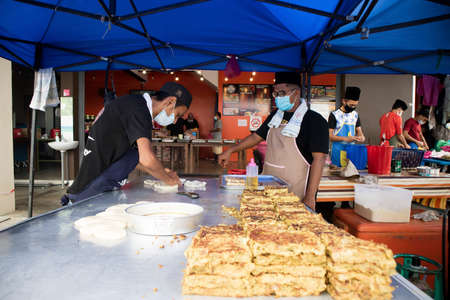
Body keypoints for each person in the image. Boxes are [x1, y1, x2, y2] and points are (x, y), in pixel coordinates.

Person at [61, 82, 192, 205]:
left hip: (105, 187)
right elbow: (147, 159)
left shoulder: (135, 106)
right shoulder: (138, 109)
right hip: (90, 191)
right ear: (171, 101)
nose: (175, 121)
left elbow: (134, 158)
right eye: (178, 115)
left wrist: (162, 171)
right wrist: (169, 181)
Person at [218, 72, 329, 213]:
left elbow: (319, 160)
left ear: (297, 92)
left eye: (282, 92)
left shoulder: (314, 121)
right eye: (276, 94)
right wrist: (230, 150)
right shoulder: (275, 116)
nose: (278, 97)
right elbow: (255, 137)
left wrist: (310, 197)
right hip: (268, 190)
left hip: (295, 194)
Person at [328, 86, 365, 167]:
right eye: (351, 105)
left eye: (355, 105)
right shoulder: (334, 115)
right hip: (338, 152)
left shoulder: (355, 115)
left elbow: (360, 133)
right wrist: (346, 139)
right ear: (344, 101)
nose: (353, 108)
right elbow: (330, 136)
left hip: (351, 152)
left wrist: (361, 137)